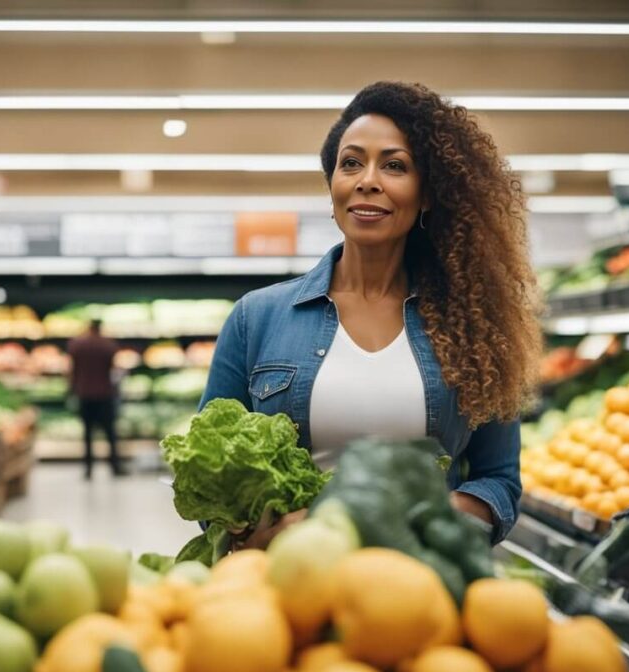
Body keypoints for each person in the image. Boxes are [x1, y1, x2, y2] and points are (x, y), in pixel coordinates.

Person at [201, 81, 542, 549]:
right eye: (352, 162)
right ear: (333, 184)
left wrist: (377, 517)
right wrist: (250, 528)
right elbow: (208, 475)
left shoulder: (476, 328)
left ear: (427, 194)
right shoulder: (256, 318)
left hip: (420, 588)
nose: (368, 179)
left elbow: (498, 485)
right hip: (285, 585)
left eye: (395, 165)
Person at [67, 318, 124, 479]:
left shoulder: (77, 344)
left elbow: (72, 371)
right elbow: (114, 371)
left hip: (84, 394)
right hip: (105, 393)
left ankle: (88, 468)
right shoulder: (107, 345)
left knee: (87, 434)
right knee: (110, 433)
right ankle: (115, 465)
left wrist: (71, 390)